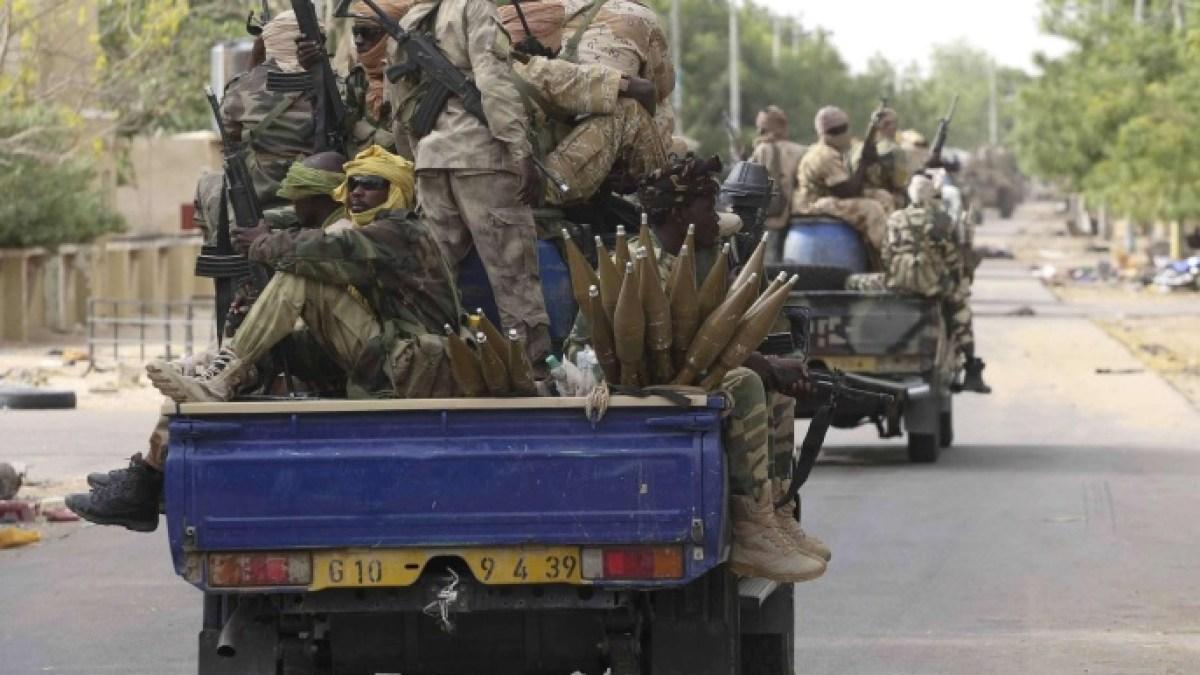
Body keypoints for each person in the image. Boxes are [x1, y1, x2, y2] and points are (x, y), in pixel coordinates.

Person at [566, 155, 830, 582]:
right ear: (678, 214)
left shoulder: (694, 255)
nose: (715, 218)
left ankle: (774, 514)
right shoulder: (641, 263)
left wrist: (775, 366)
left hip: (674, 371)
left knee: (774, 389)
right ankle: (751, 534)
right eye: (708, 208)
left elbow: (702, 338)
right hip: (627, 382)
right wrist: (761, 363)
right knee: (746, 382)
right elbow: (667, 344)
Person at [65, 151, 357, 532]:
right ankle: (150, 475)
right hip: (325, 347)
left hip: (340, 360)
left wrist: (263, 244)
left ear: (318, 198)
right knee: (194, 381)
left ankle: (148, 481)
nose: (294, 204)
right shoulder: (323, 231)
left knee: (215, 380)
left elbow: (310, 284)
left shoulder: (342, 232)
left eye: (299, 196)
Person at [388, 0, 551, 364]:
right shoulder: (474, 7)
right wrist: (520, 151)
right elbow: (493, 82)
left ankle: (430, 366)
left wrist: (417, 156)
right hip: (483, 159)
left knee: (435, 280)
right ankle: (531, 368)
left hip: (432, 160)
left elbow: (399, 102)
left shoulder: (412, 18)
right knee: (513, 273)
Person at [497, 1, 668, 204]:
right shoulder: (541, 70)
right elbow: (653, 89)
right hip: (530, 184)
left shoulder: (493, 58)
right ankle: (664, 203)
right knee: (628, 110)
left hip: (503, 168)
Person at [193, 11, 318, 240]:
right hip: (319, 200)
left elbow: (228, 135)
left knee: (207, 183)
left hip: (261, 199)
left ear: (271, 42)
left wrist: (254, 61)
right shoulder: (338, 87)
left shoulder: (244, 88)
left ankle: (219, 248)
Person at [882, 174, 991, 394]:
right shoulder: (941, 219)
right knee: (961, 309)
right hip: (931, 284)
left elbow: (886, 253)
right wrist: (957, 281)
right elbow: (952, 258)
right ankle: (972, 369)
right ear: (931, 195)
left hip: (899, 281)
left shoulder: (895, 218)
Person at [560, 0, 676, 147]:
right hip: (597, 130)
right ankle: (658, 158)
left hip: (551, 112)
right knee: (662, 105)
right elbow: (665, 86)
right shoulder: (641, 15)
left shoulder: (554, 7)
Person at [792, 106, 894, 263]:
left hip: (829, 197)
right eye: (844, 130)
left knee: (882, 196)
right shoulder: (825, 155)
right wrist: (864, 162)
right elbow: (847, 191)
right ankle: (890, 256)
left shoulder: (832, 151)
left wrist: (869, 161)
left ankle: (883, 250)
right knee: (871, 209)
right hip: (814, 204)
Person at [749, 105, 806, 263]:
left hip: (770, 220)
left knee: (769, 268)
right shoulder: (802, 151)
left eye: (762, 129)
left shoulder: (762, 150)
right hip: (799, 222)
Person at [851, 107, 909, 209]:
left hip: (857, 196)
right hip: (884, 200)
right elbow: (899, 182)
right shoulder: (895, 150)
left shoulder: (856, 148)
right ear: (891, 126)